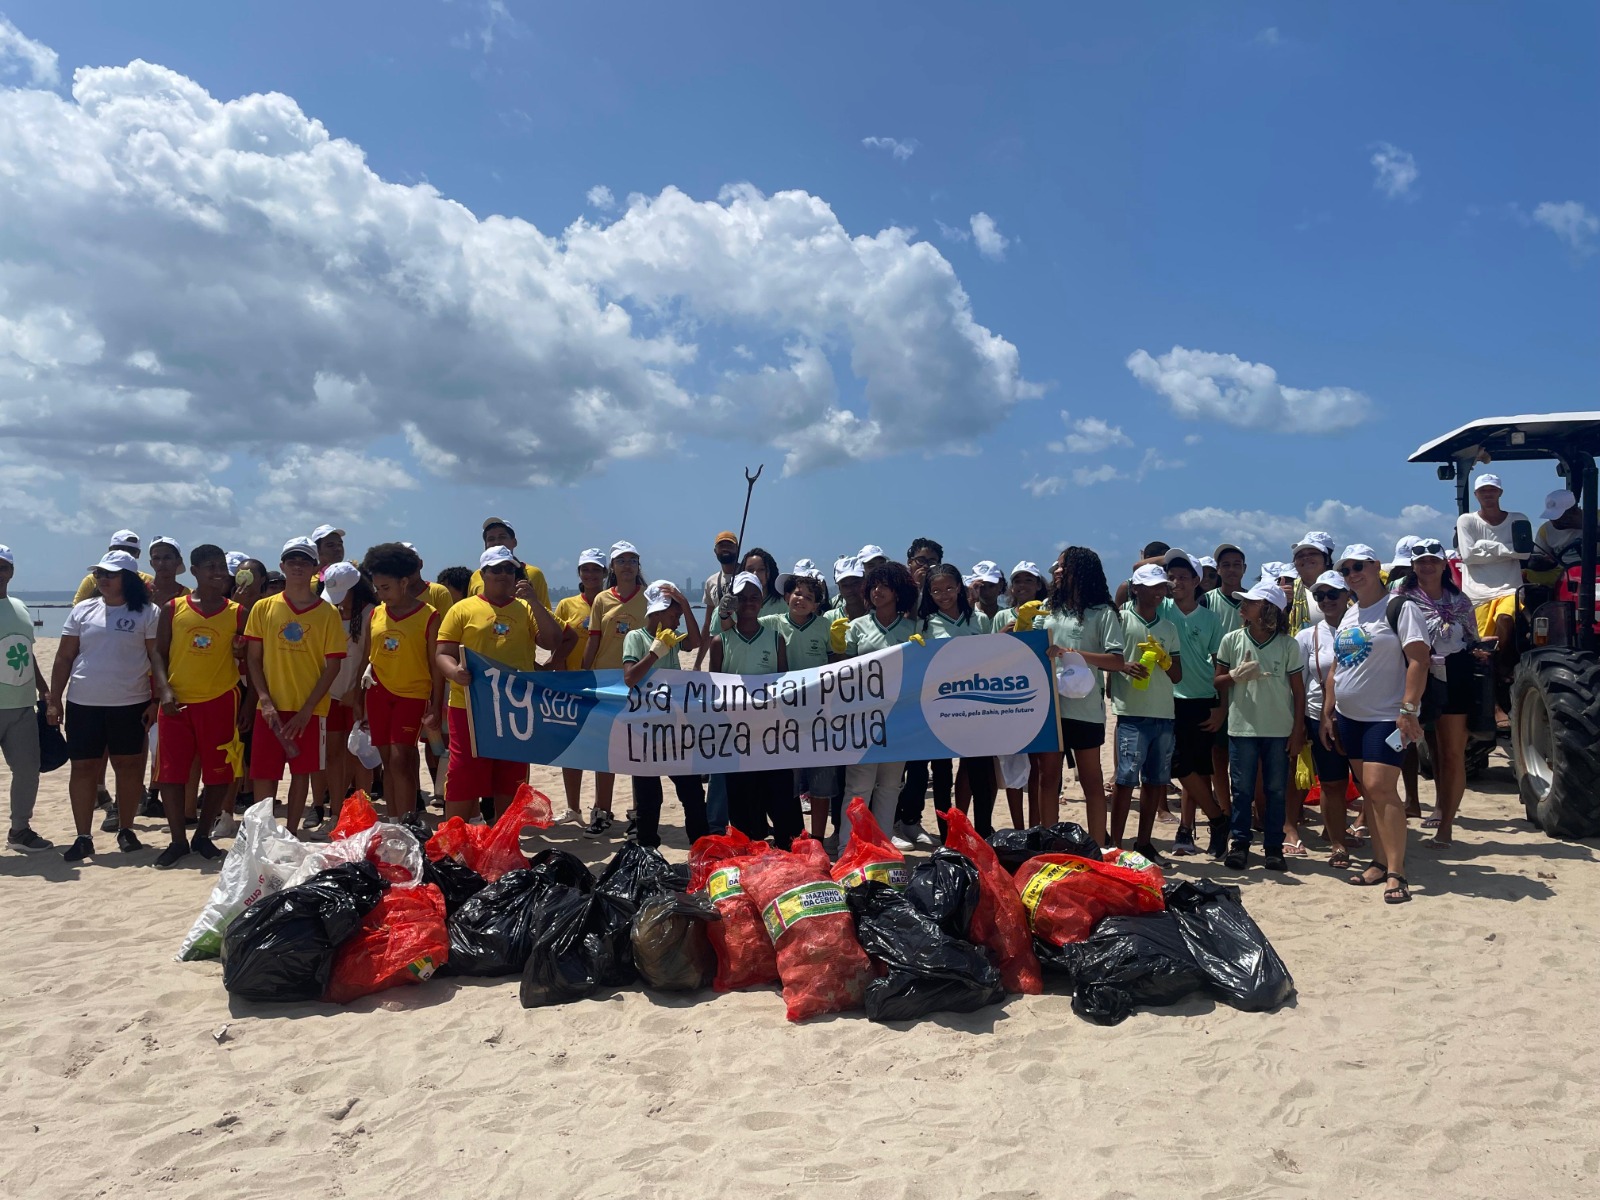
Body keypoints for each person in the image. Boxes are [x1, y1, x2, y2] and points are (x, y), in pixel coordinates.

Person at [1324, 543, 1430, 905]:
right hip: (1350, 718)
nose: (1353, 574)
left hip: (1387, 716)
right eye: (1346, 570)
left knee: (1380, 787)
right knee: (1369, 793)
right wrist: (1329, 710)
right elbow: (1339, 667)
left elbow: (1419, 660)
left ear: (1377, 566)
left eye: (1359, 566)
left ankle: (1397, 871)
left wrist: (1408, 709)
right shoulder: (1351, 614)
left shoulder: (1401, 607)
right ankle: (1380, 861)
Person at [48, 550, 167, 860]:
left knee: (127, 767)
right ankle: (83, 836)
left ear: (127, 579)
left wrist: (156, 700)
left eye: (110, 574)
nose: (102, 579)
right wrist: (54, 699)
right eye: (99, 573)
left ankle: (126, 829)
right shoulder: (82, 611)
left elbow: (156, 659)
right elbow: (64, 657)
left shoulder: (148, 613)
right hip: (83, 702)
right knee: (84, 768)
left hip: (131, 702)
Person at [435, 546, 563, 823]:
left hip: (515, 707)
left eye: (509, 569)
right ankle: (454, 837)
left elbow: (552, 641)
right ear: (484, 574)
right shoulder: (462, 609)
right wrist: (455, 672)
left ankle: (505, 841)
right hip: (469, 705)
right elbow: (442, 653)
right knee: (464, 772)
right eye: (497, 569)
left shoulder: (526, 609)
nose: (503, 574)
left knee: (510, 775)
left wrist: (536, 602)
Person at [243, 537, 347, 837]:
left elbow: (333, 666)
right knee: (264, 773)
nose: (298, 566)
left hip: (309, 708)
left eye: (304, 561)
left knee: (302, 771)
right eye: (292, 560)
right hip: (271, 706)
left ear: (316, 568)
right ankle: (263, 832)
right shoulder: (264, 608)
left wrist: (307, 709)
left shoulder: (327, 613)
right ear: (282, 566)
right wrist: (264, 699)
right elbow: (253, 659)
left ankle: (290, 831)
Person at [1030, 547, 1129, 842]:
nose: (1057, 571)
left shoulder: (1103, 613)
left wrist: (1072, 653)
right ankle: (1048, 844)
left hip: (1085, 709)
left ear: (1082, 571)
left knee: (1091, 782)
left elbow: (1116, 661)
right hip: (1049, 707)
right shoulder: (1047, 607)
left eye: (1063, 566)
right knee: (1048, 779)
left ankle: (1098, 845)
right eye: (1057, 567)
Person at [151, 544, 241, 867]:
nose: (218, 573)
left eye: (222, 566)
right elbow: (159, 653)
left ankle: (202, 835)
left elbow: (247, 655)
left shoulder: (236, 612)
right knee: (171, 773)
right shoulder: (174, 608)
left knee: (218, 774)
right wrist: (164, 690)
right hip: (177, 702)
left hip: (219, 700)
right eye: (211, 567)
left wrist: (240, 649)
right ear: (194, 571)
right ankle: (177, 840)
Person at [1214, 580, 1303, 872]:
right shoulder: (1231, 640)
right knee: (1241, 789)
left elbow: (1298, 691)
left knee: (1276, 789)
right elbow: (1217, 681)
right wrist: (1236, 675)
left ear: (1268, 609)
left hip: (1278, 728)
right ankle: (1239, 844)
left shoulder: (1288, 645)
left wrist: (1298, 729)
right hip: (1242, 727)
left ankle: (1274, 847)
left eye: (1250, 602)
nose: (1243, 605)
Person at [1399, 538, 1482, 849]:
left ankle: (1446, 825)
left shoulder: (1461, 600)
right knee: (1397, 746)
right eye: (1421, 561)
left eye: (1433, 559)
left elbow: (1471, 639)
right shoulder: (1401, 597)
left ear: (1444, 563)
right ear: (1413, 565)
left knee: (1451, 754)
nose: (1427, 565)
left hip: (1455, 674)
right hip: (1412, 673)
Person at [710, 572, 797, 846]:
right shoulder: (720, 642)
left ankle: (786, 851)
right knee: (744, 806)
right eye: (742, 598)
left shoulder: (775, 639)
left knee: (781, 802)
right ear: (732, 602)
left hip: (771, 736)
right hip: (736, 739)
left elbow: (784, 686)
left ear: (762, 601)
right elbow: (713, 690)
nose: (748, 603)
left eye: (754, 597)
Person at [916, 562, 999, 838]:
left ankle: (983, 831)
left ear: (960, 588)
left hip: (976, 707)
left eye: (949, 588)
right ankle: (947, 834)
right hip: (940, 708)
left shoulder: (979, 620)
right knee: (942, 773)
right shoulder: (926, 623)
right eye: (936, 590)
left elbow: (993, 659)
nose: (944, 595)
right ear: (929, 593)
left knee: (980, 772)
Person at [840, 561, 920, 844]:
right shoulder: (857, 627)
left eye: (884, 586)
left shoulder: (915, 627)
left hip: (900, 717)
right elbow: (843, 669)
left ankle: (883, 845)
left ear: (898, 592)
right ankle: (848, 845)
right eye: (873, 585)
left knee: (889, 785)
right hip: (863, 717)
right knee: (858, 785)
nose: (877, 591)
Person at [1107, 563, 1183, 861]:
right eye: (1151, 586)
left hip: (1164, 712)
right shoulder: (1120, 619)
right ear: (1135, 589)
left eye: (1161, 586)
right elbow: (1108, 659)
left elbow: (1177, 675)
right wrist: (1125, 666)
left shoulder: (1169, 627)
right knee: (1125, 780)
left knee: (1155, 781)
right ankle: (1115, 844)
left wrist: (1164, 660)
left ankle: (1144, 842)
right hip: (1131, 711)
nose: (1158, 592)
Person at [622, 581, 706, 847]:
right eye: (673, 612)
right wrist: (655, 652)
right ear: (657, 613)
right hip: (645, 730)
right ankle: (648, 850)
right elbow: (630, 678)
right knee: (649, 797)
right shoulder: (636, 637)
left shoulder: (674, 636)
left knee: (691, 791)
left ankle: (701, 846)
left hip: (675, 727)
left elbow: (695, 642)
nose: (677, 617)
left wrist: (683, 602)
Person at [361, 543, 441, 820]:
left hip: (413, 694)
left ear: (404, 582)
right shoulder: (376, 613)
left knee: (401, 758)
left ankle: (409, 822)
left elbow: (436, 665)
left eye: (386, 588)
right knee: (386, 760)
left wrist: (437, 705)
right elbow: (368, 657)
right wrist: (359, 699)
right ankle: (394, 820)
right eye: (377, 588)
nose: (381, 594)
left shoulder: (429, 615)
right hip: (378, 692)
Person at [763, 567, 841, 848]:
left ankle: (818, 839)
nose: (801, 599)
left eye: (809, 597)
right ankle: (797, 836)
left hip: (820, 716)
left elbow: (838, 666)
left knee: (822, 784)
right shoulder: (770, 622)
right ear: (787, 596)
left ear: (818, 604)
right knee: (788, 784)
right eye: (797, 593)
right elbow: (734, 629)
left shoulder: (825, 627)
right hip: (783, 717)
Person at [1160, 550, 1229, 858]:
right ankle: (1217, 817)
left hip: (1202, 699)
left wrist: (1221, 705)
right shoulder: (1160, 608)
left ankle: (1188, 829)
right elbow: (1127, 586)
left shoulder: (1210, 618)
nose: (1177, 583)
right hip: (1167, 699)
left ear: (1196, 582)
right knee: (1177, 764)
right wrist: (1159, 560)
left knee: (1199, 769)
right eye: (1171, 576)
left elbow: (1221, 665)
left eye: (1184, 577)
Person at [581, 540, 649, 836]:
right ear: (612, 567)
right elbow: (594, 640)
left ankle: (638, 811)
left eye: (631, 560)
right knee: (603, 750)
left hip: (638, 680)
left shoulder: (649, 597)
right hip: (605, 681)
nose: (626, 566)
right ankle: (602, 810)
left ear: (638, 565)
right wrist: (583, 676)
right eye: (620, 561)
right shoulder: (601, 600)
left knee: (637, 749)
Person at [1297, 571, 1356, 868]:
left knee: (1371, 784)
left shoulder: (1364, 627)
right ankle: (1338, 844)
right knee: (1332, 784)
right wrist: (1299, 727)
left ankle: (1359, 830)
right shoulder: (1308, 636)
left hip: (1360, 716)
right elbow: (1298, 684)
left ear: (1347, 595)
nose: (1326, 600)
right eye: (1320, 595)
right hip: (1319, 717)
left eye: (1333, 594)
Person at [0, 546, 51, 852]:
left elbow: (26, 654)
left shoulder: (19, 607)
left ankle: (20, 830)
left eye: (2, 567)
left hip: (21, 706)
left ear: (11, 571)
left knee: (28, 770)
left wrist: (44, 691)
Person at [552, 548, 607, 823]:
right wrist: (561, 677)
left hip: (604, 686)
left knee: (602, 749)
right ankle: (573, 808)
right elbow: (559, 644)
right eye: (586, 569)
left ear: (605, 574)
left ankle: (601, 806)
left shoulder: (610, 602)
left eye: (596, 569)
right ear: (579, 574)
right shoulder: (566, 605)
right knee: (571, 748)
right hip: (573, 684)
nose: (591, 574)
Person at [319, 562, 374, 827]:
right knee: (333, 754)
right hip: (329, 693)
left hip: (359, 693)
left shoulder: (370, 614)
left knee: (359, 754)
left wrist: (357, 692)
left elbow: (368, 656)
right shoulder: (327, 612)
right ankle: (335, 812)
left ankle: (363, 813)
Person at [1455, 473, 1528, 643]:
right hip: (1477, 594)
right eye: (1483, 490)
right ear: (1476, 494)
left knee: (1505, 618)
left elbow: (1525, 553)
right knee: (1481, 643)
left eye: (1492, 489)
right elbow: (1468, 556)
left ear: (1500, 492)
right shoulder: (1466, 521)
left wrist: (1486, 545)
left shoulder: (1518, 519)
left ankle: (1504, 664)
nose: (1488, 494)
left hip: (1511, 589)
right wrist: (1508, 552)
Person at [469, 517, 552, 609]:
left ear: (514, 542)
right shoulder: (476, 576)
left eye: (502, 537)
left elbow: (545, 612)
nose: (497, 542)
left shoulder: (535, 574)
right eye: (491, 539)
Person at [695, 531, 742, 670]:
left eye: (730, 545)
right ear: (715, 551)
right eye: (721, 546)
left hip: (744, 646)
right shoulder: (711, 581)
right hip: (720, 649)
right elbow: (708, 624)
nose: (725, 549)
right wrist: (697, 664)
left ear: (737, 549)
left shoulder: (747, 575)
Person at [72, 530, 153, 603]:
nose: (124, 553)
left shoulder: (149, 581)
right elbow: (77, 609)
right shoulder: (91, 580)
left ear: (138, 554)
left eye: (131, 550)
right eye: (118, 549)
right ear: (109, 551)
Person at [1528, 489, 1583, 586]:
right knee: (1523, 574)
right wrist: (1544, 562)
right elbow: (1535, 560)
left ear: (1574, 511)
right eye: (1551, 516)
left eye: (1558, 516)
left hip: (1594, 569)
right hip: (1563, 572)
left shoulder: (1596, 518)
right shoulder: (1545, 530)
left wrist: (1587, 526)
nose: (1554, 521)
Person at [1287, 532, 1335, 635]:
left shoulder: (1347, 587)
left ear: (1326, 559)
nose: (1306, 558)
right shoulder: (1287, 592)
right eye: (1300, 555)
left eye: (1313, 554)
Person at [992, 561, 1046, 633]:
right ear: (1012, 588)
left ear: (1039, 585)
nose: (1022, 585)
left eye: (1028, 580)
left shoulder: (1045, 614)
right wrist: (1002, 633)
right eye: (1017, 581)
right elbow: (993, 643)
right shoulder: (1001, 616)